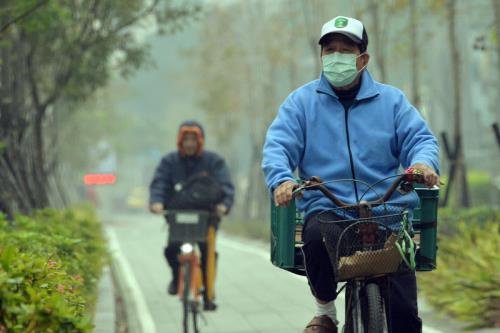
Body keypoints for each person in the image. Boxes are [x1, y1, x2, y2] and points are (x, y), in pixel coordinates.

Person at [262, 16, 439, 333]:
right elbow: (278, 146)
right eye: (330, 50)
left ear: (363, 58)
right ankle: (326, 312)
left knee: (406, 321)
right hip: (328, 210)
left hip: (387, 211)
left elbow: (420, 140)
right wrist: (282, 179)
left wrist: (423, 164)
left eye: (346, 50)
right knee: (314, 236)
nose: (336, 57)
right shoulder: (301, 103)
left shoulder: (392, 101)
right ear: (321, 56)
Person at [149, 120, 234, 311]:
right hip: (177, 217)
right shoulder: (169, 162)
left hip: (207, 217)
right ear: (180, 141)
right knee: (171, 250)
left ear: (200, 141)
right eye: (185, 139)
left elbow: (226, 185)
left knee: (207, 253)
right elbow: (160, 183)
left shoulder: (214, 161)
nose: (189, 143)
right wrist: (156, 202)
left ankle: (208, 295)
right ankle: (176, 274)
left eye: (193, 139)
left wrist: (224, 205)